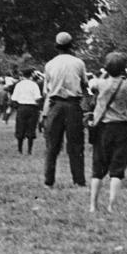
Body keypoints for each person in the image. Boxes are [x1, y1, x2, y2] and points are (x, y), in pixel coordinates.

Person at [88, 52, 127, 213]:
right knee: (117, 169)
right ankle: (112, 205)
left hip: (102, 127)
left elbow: (92, 85)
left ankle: (93, 205)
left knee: (98, 168)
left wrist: (105, 73)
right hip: (122, 127)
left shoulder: (99, 83)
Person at [42, 32, 88, 187]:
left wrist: (44, 113)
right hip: (73, 105)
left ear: (57, 47)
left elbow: (47, 91)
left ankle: (49, 180)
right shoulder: (78, 63)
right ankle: (79, 180)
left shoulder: (49, 64)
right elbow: (84, 84)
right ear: (71, 46)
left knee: (52, 145)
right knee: (75, 145)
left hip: (55, 105)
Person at [11, 67, 43, 154]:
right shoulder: (34, 85)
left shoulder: (19, 85)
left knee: (20, 127)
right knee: (31, 128)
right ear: (31, 75)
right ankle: (29, 150)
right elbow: (37, 98)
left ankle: (20, 149)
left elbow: (14, 98)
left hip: (21, 107)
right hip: (32, 108)